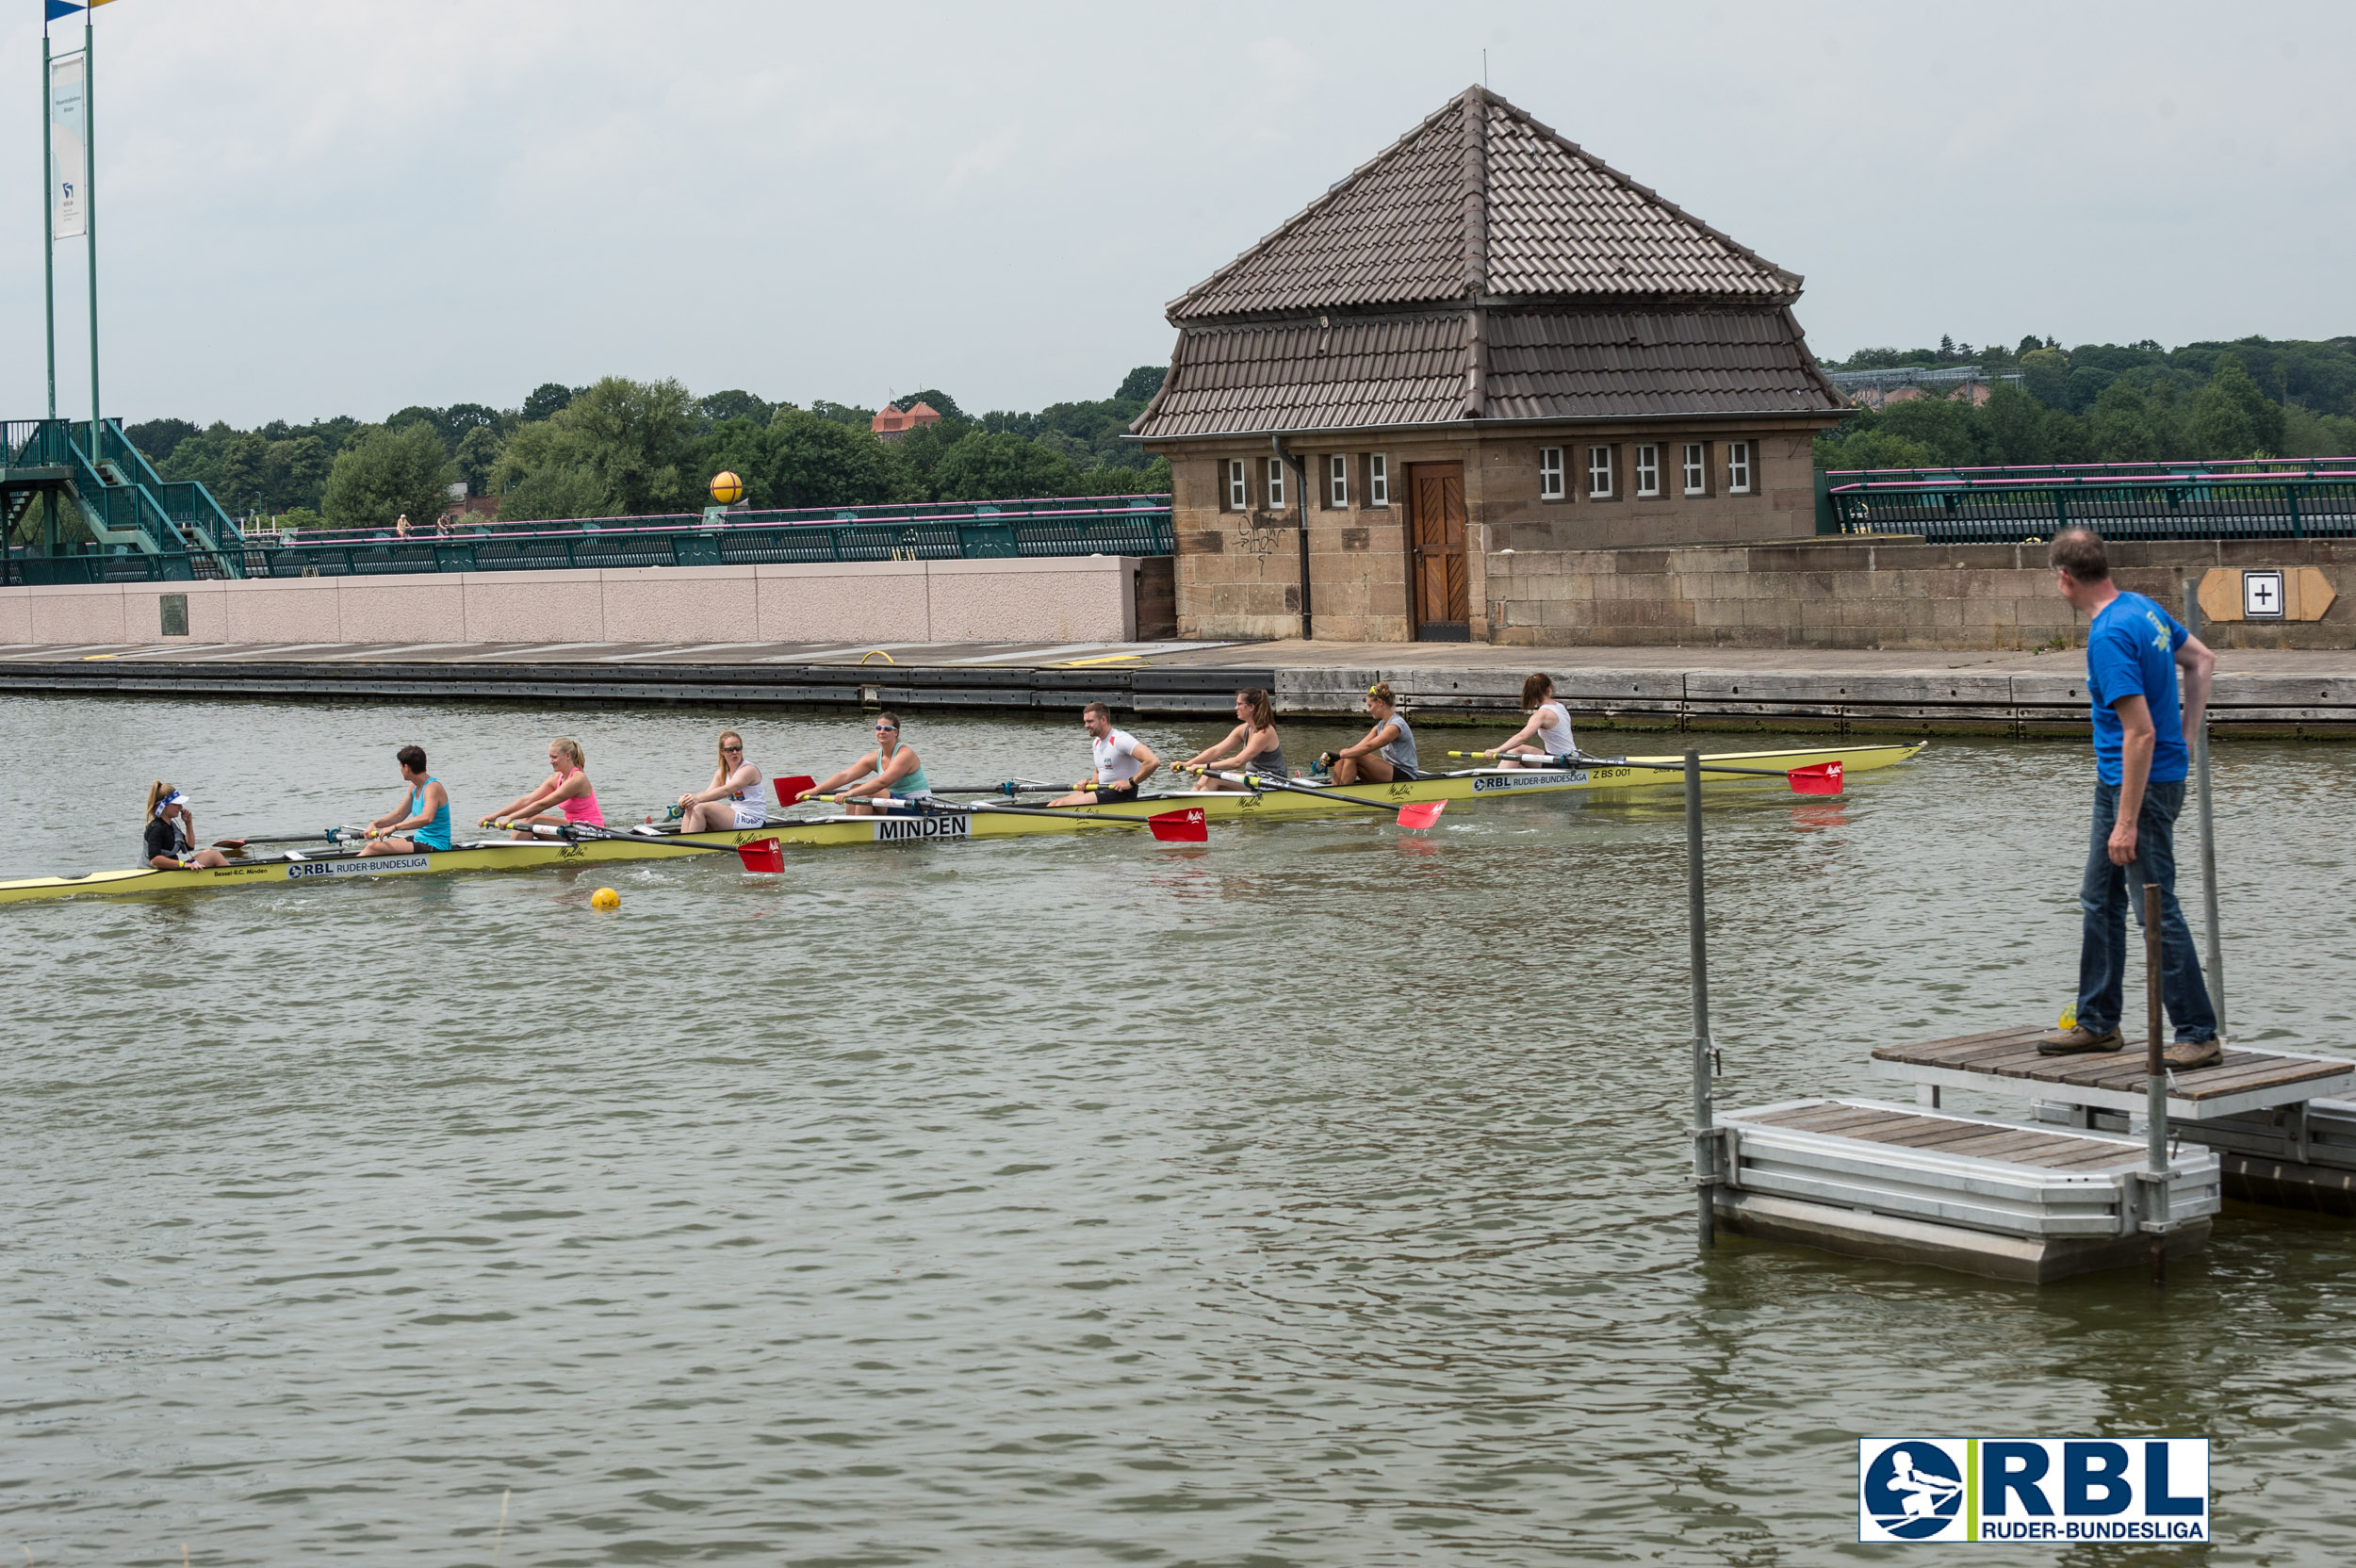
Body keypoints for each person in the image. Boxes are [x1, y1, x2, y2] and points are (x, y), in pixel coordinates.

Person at [2037, 528, 2221, 1068]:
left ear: (2065, 578)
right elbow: (2203, 660)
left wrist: (2126, 822)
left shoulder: (2109, 637)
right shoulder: (2144, 608)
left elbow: (2138, 733)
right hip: (2132, 781)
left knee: (2154, 908)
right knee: (2099, 899)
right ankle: (2098, 1022)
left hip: (2136, 788)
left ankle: (2197, 1031)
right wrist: (2186, 735)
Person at [800, 713, 930, 816]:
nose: (882, 731)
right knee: (855, 787)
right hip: (894, 804)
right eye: (878, 728)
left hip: (919, 806)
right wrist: (815, 790)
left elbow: (882, 783)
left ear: (896, 732)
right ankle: (851, 828)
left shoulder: (904, 754)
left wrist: (849, 794)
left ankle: (858, 834)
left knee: (861, 792)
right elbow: (845, 775)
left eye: (887, 729)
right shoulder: (874, 757)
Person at [485, 737, 603, 838]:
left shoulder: (577, 779)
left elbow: (542, 805)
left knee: (530, 820)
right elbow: (527, 800)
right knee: (526, 820)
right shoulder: (556, 779)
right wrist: (495, 815)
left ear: (568, 756)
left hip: (591, 830)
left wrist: (510, 818)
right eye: (550, 757)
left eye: (554, 757)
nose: (550, 761)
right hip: (572, 827)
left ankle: (509, 858)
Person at [1051, 703, 1159, 806]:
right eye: (1085, 722)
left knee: (1062, 805)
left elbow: (1152, 761)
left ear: (1103, 720)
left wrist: (1130, 783)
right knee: (1054, 804)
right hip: (1103, 790)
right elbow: (1099, 773)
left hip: (1122, 793)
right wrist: (1088, 783)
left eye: (1090, 721)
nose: (1086, 726)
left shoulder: (1121, 739)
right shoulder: (1096, 742)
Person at [1180, 688, 1287, 792]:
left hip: (1273, 781)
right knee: (1207, 773)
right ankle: (1189, 801)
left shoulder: (1264, 732)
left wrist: (1204, 766)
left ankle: (1198, 806)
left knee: (1214, 777)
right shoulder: (1243, 729)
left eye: (1239, 704)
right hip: (1253, 778)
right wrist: (1188, 763)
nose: (1236, 708)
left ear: (1251, 707)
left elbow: (1237, 762)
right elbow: (1216, 750)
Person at [361, 745, 453, 856]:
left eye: (400, 766)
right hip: (419, 839)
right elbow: (399, 815)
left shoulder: (432, 788)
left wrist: (395, 828)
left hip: (436, 845)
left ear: (407, 767)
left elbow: (427, 818)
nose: (400, 770)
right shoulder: (414, 787)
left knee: (373, 847)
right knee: (373, 849)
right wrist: (375, 824)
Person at [1323, 682, 1418, 785]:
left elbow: (1369, 746)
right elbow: (1355, 749)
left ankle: (1342, 794)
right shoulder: (1379, 727)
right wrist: (1333, 758)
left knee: (1353, 755)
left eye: (1370, 705)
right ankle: (1334, 791)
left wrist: (1339, 755)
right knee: (1346, 753)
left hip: (1406, 777)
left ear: (1380, 703)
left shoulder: (1395, 726)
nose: (1369, 710)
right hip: (1389, 773)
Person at [1478, 673, 1578, 767]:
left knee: (1514, 752)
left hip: (1561, 762)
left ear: (1531, 693)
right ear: (1549, 689)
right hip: (1572, 757)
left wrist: (1497, 750)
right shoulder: (1559, 706)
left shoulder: (1542, 714)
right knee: (1517, 750)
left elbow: (1522, 737)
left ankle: (1495, 781)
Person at [677, 728, 767, 831]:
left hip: (754, 821)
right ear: (722, 751)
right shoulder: (722, 772)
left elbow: (726, 790)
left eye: (738, 748)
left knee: (700, 807)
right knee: (693, 805)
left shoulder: (748, 770)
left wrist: (696, 798)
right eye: (730, 749)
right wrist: (686, 799)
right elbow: (707, 795)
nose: (735, 752)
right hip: (737, 816)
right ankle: (683, 842)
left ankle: (690, 844)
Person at [143, 782, 229, 870]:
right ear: (164, 806)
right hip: (160, 872)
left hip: (171, 869)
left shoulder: (171, 825)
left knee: (208, 852)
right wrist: (184, 864)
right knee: (214, 855)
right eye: (176, 804)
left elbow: (190, 846)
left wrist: (188, 823)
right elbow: (154, 859)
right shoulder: (156, 828)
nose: (181, 807)